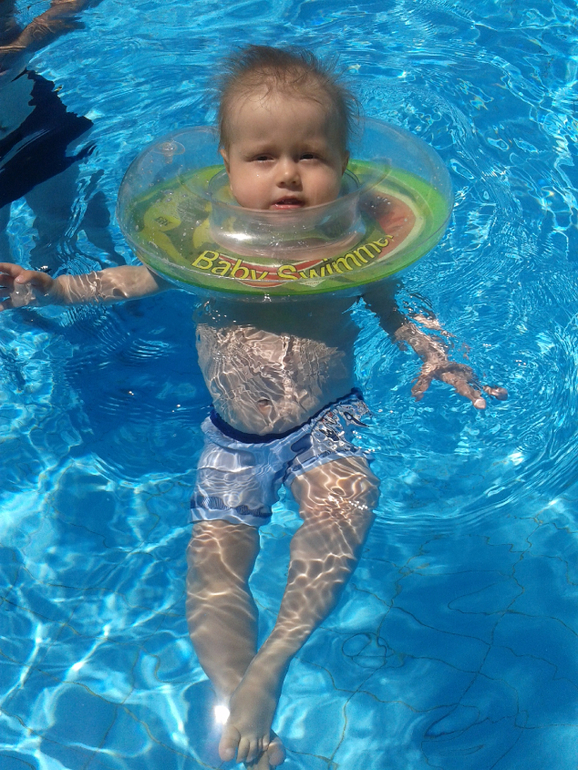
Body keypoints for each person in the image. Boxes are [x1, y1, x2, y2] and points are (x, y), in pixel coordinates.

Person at [0, 45, 507, 770]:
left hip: (326, 423)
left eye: (311, 155)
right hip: (232, 438)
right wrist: (48, 290)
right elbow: (125, 280)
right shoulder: (201, 241)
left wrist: (435, 354)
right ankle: (235, 689)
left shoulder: (353, 241)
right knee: (214, 569)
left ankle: (273, 663)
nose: (288, 174)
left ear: (344, 161)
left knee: (348, 505)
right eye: (263, 157)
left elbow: (394, 310)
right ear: (226, 164)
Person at [0, 0, 116, 271]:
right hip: (23, 124)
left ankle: (53, 250)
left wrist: (30, 38)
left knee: (58, 213)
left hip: (32, 117)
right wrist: (23, 44)